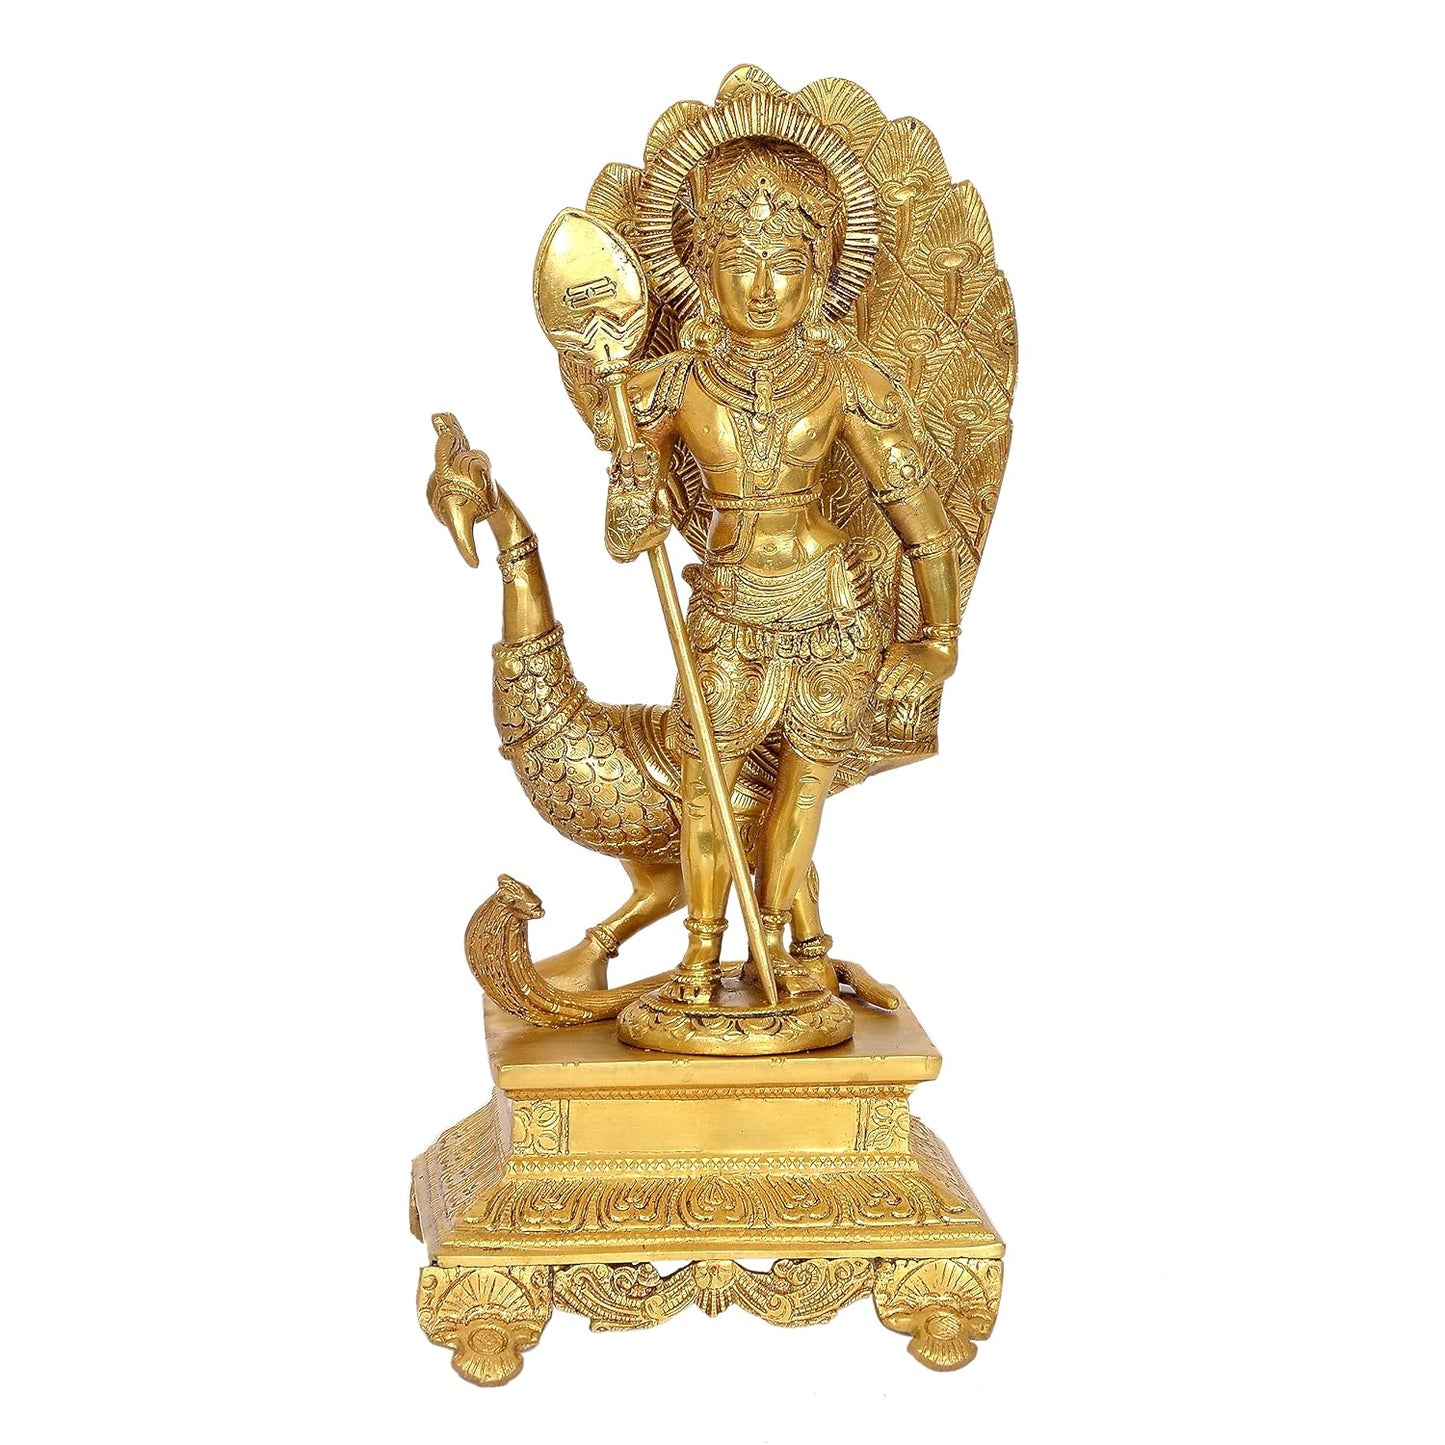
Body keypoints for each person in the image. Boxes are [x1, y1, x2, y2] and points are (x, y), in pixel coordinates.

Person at [608, 139, 962, 1006]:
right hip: (727, 607)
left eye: (786, 264)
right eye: (740, 262)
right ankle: (699, 956)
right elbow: (622, 533)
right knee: (707, 789)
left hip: (829, 612)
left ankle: (776, 942)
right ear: (701, 271)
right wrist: (631, 504)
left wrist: (938, 639)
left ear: (821, 272)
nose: (762, 287)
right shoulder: (664, 386)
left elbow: (921, 521)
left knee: (803, 790)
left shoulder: (846, 380)